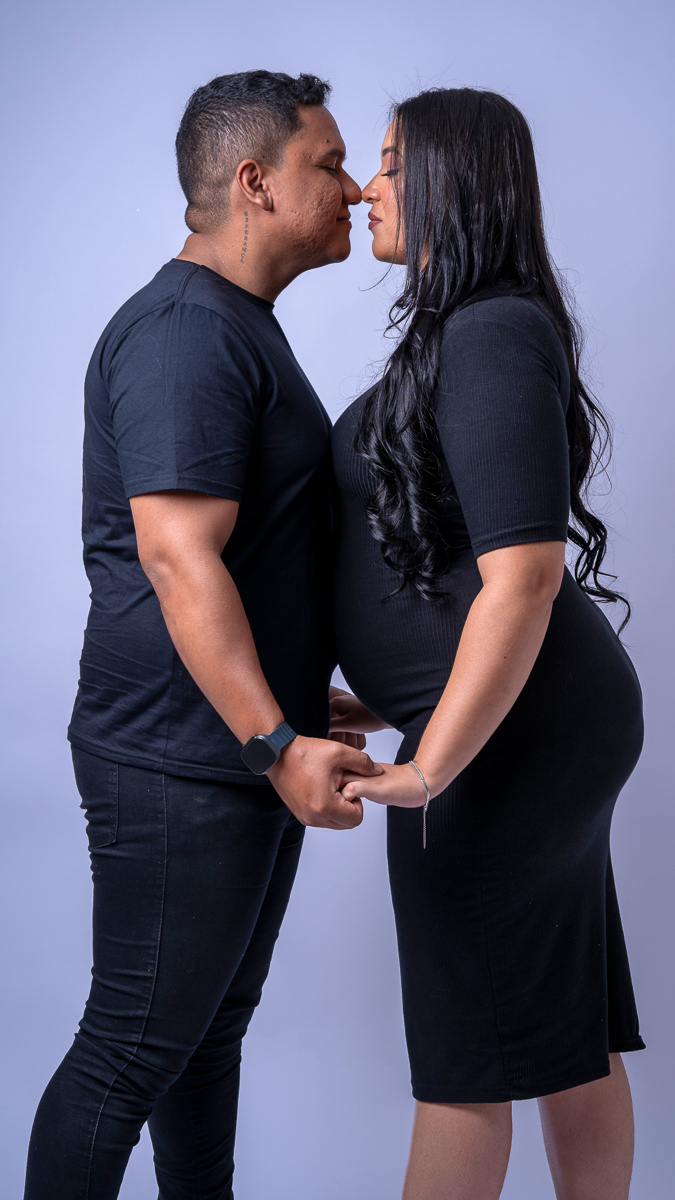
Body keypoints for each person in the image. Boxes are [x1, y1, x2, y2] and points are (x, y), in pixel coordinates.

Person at [24, 69, 380, 1200]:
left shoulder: (236, 328)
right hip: (182, 754)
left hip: (228, 743)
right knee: (130, 1049)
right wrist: (272, 740)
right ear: (254, 182)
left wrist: (294, 702)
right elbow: (179, 559)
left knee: (204, 1037)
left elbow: (247, 551)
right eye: (330, 164)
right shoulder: (186, 331)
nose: (358, 190)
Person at [330, 87, 644, 1200]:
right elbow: (458, 565)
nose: (365, 188)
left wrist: (430, 768)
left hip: (512, 742)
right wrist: (387, 697)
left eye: (387, 163)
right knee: (561, 1023)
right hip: (526, 721)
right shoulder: (469, 330)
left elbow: (524, 576)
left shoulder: (492, 331)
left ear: (451, 179)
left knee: (466, 1053)